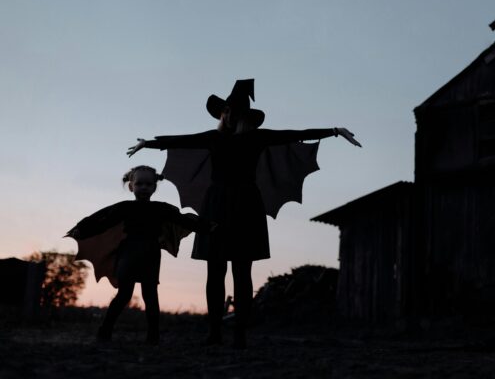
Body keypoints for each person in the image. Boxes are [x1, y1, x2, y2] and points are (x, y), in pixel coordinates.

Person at [127, 79, 360, 348]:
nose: (227, 116)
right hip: (215, 206)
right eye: (225, 111)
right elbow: (182, 141)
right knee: (215, 271)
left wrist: (334, 131)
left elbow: (294, 134)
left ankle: (240, 333)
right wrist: (148, 143)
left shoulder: (258, 138)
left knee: (242, 271)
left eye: (232, 112)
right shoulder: (213, 138)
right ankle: (214, 332)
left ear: (243, 116)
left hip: (247, 207)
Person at [66, 165, 209, 345]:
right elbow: (104, 220)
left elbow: (183, 220)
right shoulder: (125, 208)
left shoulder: (162, 209)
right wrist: (82, 230)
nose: (144, 188)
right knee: (124, 294)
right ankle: (105, 331)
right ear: (131, 186)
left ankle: (153, 336)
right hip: (129, 252)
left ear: (154, 187)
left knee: (150, 295)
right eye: (139, 184)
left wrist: (207, 227)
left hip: (151, 254)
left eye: (148, 184)